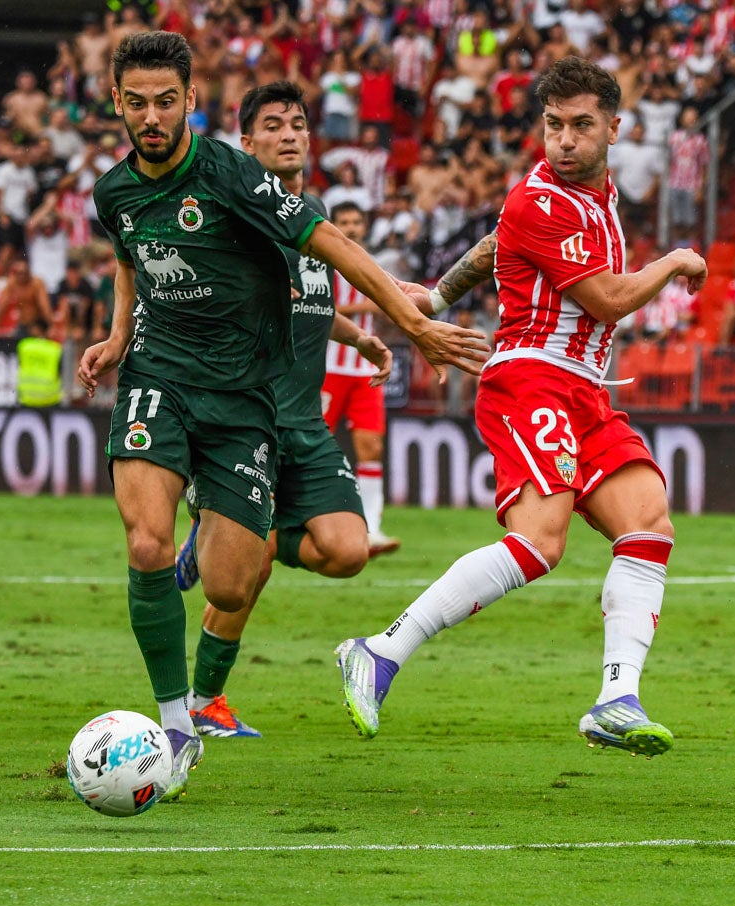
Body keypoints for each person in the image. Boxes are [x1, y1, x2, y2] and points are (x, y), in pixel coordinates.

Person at [75, 32, 488, 800]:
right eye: (137, 103)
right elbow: (129, 258)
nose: (152, 117)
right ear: (118, 103)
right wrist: (118, 336)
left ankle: (213, 538)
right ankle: (176, 724)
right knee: (145, 541)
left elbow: (331, 245)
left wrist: (410, 321)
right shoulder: (113, 192)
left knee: (232, 587)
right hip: (159, 379)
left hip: (244, 402)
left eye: (166, 101)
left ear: (191, 101)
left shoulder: (232, 175)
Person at [336, 56, 708, 757]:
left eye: (580, 125)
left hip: (584, 387)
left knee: (648, 522)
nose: (564, 139)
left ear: (613, 129)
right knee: (540, 542)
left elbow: (491, 246)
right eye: (553, 125)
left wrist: (437, 296)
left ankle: (616, 700)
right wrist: (672, 261)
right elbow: (607, 300)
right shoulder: (541, 200)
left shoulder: (594, 198)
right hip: (531, 377)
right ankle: (380, 650)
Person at [172, 81, 404, 739]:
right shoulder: (236, 219)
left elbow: (308, 303)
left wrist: (355, 335)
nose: (289, 135)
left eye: (297, 124)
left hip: (304, 422)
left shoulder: (315, 212)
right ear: (246, 143)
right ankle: (204, 702)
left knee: (349, 550)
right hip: (244, 421)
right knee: (253, 562)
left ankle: (221, 536)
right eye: (272, 126)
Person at [318, 200, 404, 556]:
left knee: (371, 447)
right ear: (332, 225)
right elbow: (315, 307)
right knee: (312, 444)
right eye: (344, 222)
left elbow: (386, 306)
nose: (351, 228)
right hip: (327, 368)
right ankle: (301, 516)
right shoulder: (321, 262)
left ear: (365, 226)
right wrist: (366, 306)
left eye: (356, 222)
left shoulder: (374, 265)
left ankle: (371, 528)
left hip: (365, 371)